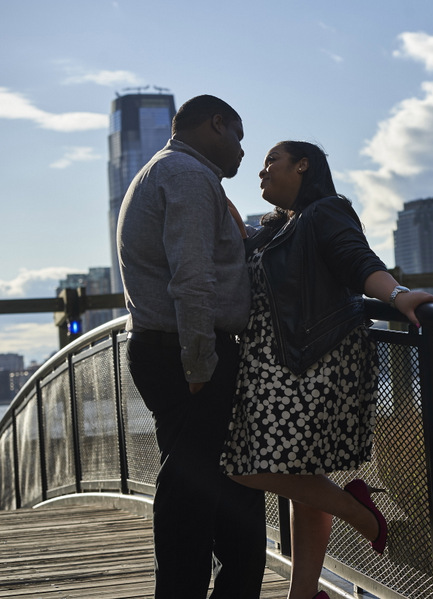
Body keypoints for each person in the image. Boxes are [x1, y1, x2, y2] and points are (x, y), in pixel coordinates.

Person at [220, 141, 433, 599]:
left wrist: (398, 295)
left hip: (312, 363)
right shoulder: (277, 227)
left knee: (240, 466)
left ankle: (359, 511)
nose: (261, 173)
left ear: (303, 165)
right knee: (300, 478)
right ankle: (305, 596)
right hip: (274, 365)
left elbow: (356, 259)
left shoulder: (326, 211)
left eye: (271, 162)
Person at [117, 95, 267, 598]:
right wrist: (201, 362)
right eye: (239, 138)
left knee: (220, 497)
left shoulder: (167, 172)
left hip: (174, 348)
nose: (244, 153)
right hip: (189, 353)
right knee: (190, 499)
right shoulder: (186, 175)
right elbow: (192, 277)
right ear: (215, 124)